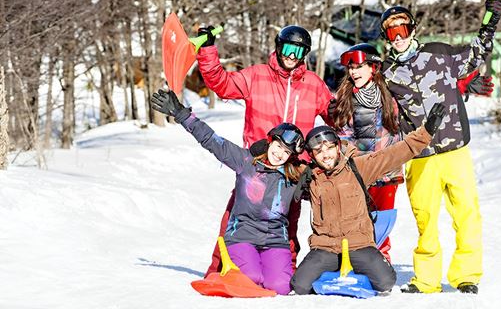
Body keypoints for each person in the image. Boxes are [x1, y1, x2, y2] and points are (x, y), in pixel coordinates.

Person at [378, 0, 501, 295]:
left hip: (454, 147)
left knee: (466, 213)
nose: (398, 37)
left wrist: (491, 19)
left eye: (402, 29)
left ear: (412, 29)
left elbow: (476, 54)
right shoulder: (386, 74)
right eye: (391, 33)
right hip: (419, 155)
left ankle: (466, 275)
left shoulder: (438, 53)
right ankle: (426, 280)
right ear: (386, 38)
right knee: (425, 218)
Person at [195, 24, 334, 277]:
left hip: (292, 171)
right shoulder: (256, 76)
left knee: (287, 224)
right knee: (235, 219)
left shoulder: (313, 85)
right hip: (257, 165)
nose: (292, 56)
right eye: (288, 48)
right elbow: (222, 84)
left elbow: (337, 117)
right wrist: (207, 51)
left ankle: (285, 273)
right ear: (279, 46)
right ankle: (219, 271)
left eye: (299, 51)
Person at [150, 89, 305, 295]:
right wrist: (181, 114)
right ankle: (246, 266)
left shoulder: (294, 178)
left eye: (286, 152)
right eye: (278, 146)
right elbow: (212, 140)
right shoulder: (245, 162)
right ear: (270, 141)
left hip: (275, 241)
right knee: (250, 280)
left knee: (281, 287)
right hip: (242, 237)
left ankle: (268, 268)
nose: (279, 154)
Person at [290, 103, 447, 295]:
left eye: (329, 148)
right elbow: (278, 161)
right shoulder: (310, 175)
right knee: (300, 286)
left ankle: (356, 267)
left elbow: (394, 154)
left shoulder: (358, 168)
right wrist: (286, 146)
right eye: (319, 152)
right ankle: (334, 268)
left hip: (359, 244)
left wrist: (426, 132)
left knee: (386, 282)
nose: (326, 155)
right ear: (313, 155)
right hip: (326, 247)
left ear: (338, 147)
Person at [330, 43, 402, 262]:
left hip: (388, 174)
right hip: (360, 174)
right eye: (351, 67)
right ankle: (354, 261)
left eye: (359, 66)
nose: (353, 71)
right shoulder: (345, 99)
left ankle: (381, 260)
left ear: (373, 68)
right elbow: (344, 137)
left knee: (382, 221)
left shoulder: (390, 95)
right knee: (357, 220)